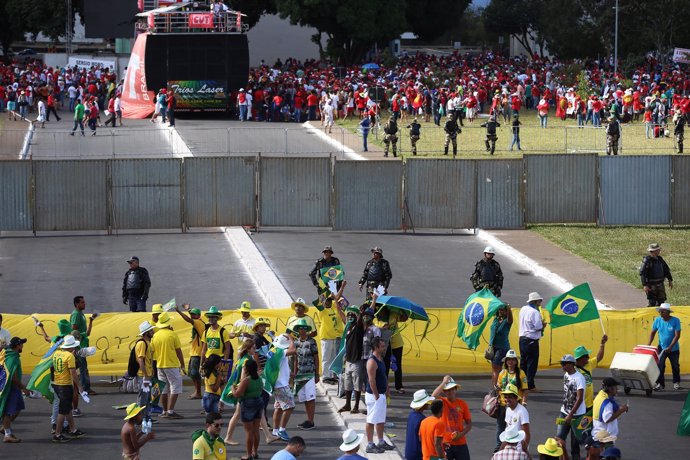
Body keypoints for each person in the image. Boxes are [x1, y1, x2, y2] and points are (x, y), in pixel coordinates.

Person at [573, 335, 608, 455]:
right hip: (578, 408)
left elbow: (599, 357)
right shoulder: (573, 370)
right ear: (580, 359)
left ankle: (590, 455)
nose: (588, 357)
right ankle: (576, 455)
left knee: (589, 431)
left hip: (589, 407)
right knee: (577, 433)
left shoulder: (588, 365)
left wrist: (602, 344)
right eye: (586, 356)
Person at [51, 335, 85, 442]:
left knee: (68, 409)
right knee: (63, 411)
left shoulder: (56, 353)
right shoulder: (69, 356)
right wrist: (80, 387)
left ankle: (73, 429)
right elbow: (73, 373)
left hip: (57, 383)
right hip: (65, 385)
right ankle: (57, 434)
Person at [151, 312, 185, 419]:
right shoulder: (172, 334)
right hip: (171, 365)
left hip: (159, 365)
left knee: (164, 389)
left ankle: (165, 411)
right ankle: (170, 411)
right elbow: (178, 351)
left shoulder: (155, 336)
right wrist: (183, 365)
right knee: (175, 387)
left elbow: (152, 352)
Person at [431, 376, 472, 460]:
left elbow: (469, 423)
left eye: (453, 389)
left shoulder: (462, 404)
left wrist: (461, 434)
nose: (451, 392)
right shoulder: (442, 402)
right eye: (448, 390)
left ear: (456, 389)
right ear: (444, 392)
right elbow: (433, 397)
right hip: (445, 442)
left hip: (460, 442)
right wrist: (443, 383)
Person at [365, 336, 394, 453]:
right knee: (371, 420)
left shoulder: (381, 359)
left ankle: (381, 441)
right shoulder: (372, 361)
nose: (384, 348)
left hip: (381, 395)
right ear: (376, 347)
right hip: (374, 396)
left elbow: (383, 377)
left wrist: (387, 390)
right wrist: (376, 395)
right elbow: (371, 380)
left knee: (380, 420)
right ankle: (370, 444)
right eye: (382, 346)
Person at [495, 350, 528, 449]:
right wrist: (497, 389)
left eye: (512, 359)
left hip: (515, 405)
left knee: (516, 427)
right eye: (508, 359)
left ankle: (518, 447)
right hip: (502, 404)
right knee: (501, 427)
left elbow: (525, 390)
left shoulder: (521, 373)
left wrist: (524, 402)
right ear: (506, 361)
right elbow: (498, 386)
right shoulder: (502, 373)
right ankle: (499, 448)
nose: (510, 361)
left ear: (516, 361)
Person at [231, 359, 263, 460]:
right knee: (256, 430)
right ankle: (255, 452)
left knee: (249, 431)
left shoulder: (246, 380)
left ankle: (248, 455)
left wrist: (232, 387)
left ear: (247, 369)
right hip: (258, 402)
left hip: (248, 404)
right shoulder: (259, 378)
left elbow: (237, 394)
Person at [315, 281, 346, 384]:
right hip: (326, 337)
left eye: (329, 300)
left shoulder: (334, 306)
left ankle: (333, 376)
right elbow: (320, 299)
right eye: (326, 301)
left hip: (336, 337)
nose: (328, 302)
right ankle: (326, 376)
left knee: (334, 358)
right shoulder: (322, 311)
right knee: (326, 358)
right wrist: (325, 288)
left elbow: (337, 298)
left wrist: (342, 287)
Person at [291, 318, 319, 430]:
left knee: (311, 398)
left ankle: (311, 421)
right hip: (300, 373)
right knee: (305, 398)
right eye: (300, 328)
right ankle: (308, 419)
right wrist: (295, 373)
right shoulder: (297, 342)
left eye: (304, 328)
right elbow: (295, 359)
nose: (302, 330)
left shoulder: (312, 341)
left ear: (307, 330)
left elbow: (316, 358)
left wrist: (317, 374)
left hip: (310, 373)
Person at [557, 354, 586, 459]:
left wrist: (571, 414)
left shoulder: (579, 378)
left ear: (571, 364)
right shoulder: (566, 374)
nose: (562, 366)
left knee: (575, 444)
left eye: (564, 364)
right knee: (559, 439)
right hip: (564, 412)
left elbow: (580, 398)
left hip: (577, 415)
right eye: (561, 363)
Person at [338, 305, 367, 414]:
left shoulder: (358, 327)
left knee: (357, 384)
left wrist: (361, 313)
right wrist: (337, 303)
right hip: (348, 360)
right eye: (348, 315)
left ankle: (356, 406)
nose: (349, 317)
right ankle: (347, 404)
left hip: (357, 361)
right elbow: (342, 316)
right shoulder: (348, 328)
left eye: (352, 315)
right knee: (347, 384)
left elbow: (360, 321)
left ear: (356, 317)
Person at [1, 337, 30, 443]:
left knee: (18, 407)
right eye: (21, 344)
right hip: (10, 387)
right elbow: (12, 376)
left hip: (14, 387)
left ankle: (5, 427)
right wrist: (23, 387)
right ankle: (7, 434)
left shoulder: (10, 354)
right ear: (17, 346)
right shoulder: (13, 358)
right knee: (8, 411)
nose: (23, 346)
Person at [648, 303, 682, 390]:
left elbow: (677, 336)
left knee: (675, 366)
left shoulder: (675, 321)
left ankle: (676, 382)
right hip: (661, 348)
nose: (661, 313)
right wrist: (648, 344)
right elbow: (653, 333)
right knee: (660, 365)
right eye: (660, 311)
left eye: (663, 312)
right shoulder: (657, 320)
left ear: (668, 312)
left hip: (673, 349)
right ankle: (660, 383)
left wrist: (670, 347)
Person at [271, 334, 297, 442]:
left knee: (279, 407)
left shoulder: (273, 351)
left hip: (277, 383)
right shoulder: (280, 352)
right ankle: (282, 429)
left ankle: (275, 430)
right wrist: (291, 339)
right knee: (290, 406)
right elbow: (293, 350)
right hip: (281, 385)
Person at [176, 305, 206, 399]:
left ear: (199, 315)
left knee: (194, 373)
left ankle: (198, 393)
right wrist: (188, 310)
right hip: (194, 352)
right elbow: (192, 318)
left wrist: (179, 311)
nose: (192, 316)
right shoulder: (199, 321)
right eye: (192, 314)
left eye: (194, 314)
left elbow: (189, 320)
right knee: (192, 373)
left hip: (197, 353)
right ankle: (197, 392)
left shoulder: (198, 322)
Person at [519, 292, 546, 391]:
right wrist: (543, 325)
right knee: (531, 364)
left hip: (522, 339)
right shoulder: (535, 312)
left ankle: (521, 382)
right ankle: (530, 385)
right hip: (531, 340)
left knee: (523, 362)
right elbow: (538, 327)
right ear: (535, 301)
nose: (540, 302)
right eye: (539, 300)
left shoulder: (523, 309)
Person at [70, 295, 95, 395]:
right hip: (78, 346)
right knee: (83, 367)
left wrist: (91, 321)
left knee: (81, 367)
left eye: (84, 302)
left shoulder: (81, 314)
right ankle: (85, 388)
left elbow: (87, 333)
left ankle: (81, 386)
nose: (84, 304)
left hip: (82, 345)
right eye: (82, 302)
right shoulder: (76, 314)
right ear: (77, 304)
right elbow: (74, 330)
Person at [134, 320, 155, 425]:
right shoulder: (142, 343)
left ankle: (146, 417)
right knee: (143, 399)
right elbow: (140, 360)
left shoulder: (147, 343)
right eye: (151, 330)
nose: (153, 331)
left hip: (147, 376)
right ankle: (140, 419)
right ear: (146, 332)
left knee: (147, 398)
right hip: (144, 377)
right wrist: (146, 375)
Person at [639, 243, 673, 307]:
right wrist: (645, 285)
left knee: (662, 301)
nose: (659, 251)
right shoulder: (647, 260)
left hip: (660, 284)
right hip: (651, 285)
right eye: (658, 250)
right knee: (652, 302)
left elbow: (666, 270)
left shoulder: (660, 259)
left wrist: (670, 280)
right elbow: (642, 273)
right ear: (654, 251)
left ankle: (661, 316)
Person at [501, 384, 530, 454]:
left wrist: (524, 450)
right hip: (509, 447)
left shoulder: (522, 411)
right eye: (506, 397)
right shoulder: (508, 409)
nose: (507, 400)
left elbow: (527, 434)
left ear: (516, 398)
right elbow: (507, 427)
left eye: (510, 397)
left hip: (519, 449)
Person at [406, 389, 435, 460]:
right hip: (418, 454)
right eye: (428, 402)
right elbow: (423, 439)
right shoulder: (422, 419)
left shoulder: (411, 415)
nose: (429, 403)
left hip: (409, 452)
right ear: (423, 404)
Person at [490, 305, 513, 386]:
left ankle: (496, 387)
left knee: (496, 368)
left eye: (503, 310)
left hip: (502, 348)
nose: (500, 311)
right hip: (493, 347)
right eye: (499, 310)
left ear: (506, 312)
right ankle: (496, 386)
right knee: (494, 368)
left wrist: (509, 308)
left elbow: (510, 318)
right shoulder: (496, 319)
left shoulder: (507, 322)